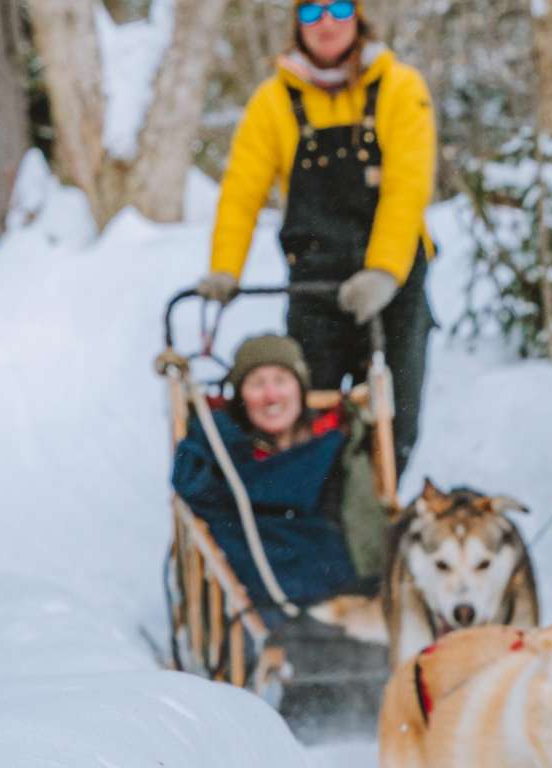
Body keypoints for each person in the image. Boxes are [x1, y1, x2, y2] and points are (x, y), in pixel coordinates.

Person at [197, 0, 436, 473]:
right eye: (311, 11)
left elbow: (407, 187)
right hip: (314, 284)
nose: (325, 22)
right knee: (307, 416)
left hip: (393, 286)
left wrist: (383, 271)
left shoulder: (400, 87)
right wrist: (225, 268)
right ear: (297, 22)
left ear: (358, 16)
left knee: (395, 422)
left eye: (338, 8)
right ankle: (316, 506)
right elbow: (242, 192)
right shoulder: (273, 101)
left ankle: (376, 504)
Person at [171, 335, 386, 608]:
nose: (271, 396)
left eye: (281, 380)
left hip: (342, 596)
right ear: (241, 397)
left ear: (300, 388)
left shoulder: (334, 450)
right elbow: (195, 487)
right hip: (260, 597)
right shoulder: (221, 453)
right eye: (257, 384)